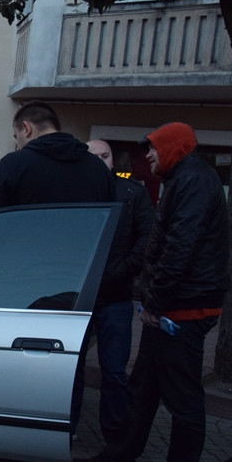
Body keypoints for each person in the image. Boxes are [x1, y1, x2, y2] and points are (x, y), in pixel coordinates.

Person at [74, 122, 229, 462]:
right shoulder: (189, 179)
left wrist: (154, 304)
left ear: (173, 149)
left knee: (183, 398)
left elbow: (179, 249)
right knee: (143, 388)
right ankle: (121, 457)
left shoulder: (191, 183)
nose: (148, 156)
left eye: (154, 150)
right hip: (177, 305)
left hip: (182, 310)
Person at [0, 101, 114, 462]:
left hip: (24, 298)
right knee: (64, 391)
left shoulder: (15, 166)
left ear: (26, 128)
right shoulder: (96, 170)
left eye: (17, 134)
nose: (17, 141)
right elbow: (112, 235)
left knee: (17, 394)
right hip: (79, 299)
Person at [78, 140, 154, 443]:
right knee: (71, 370)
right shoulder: (74, 192)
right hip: (78, 296)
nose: (99, 161)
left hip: (116, 296)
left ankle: (115, 441)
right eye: (92, 156)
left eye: (104, 155)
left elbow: (146, 241)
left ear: (113, 161)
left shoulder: (133, 193)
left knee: (114, 371)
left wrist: (118, 272)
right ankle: (65, 431)